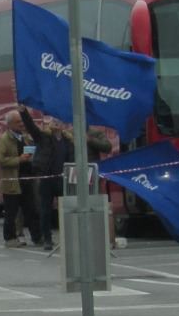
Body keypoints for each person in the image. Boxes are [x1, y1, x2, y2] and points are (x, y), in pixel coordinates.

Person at [21, 106, 113, 253]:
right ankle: (48, 239)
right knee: (45, 211)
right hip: (47, 180)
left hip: (64, 179)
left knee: (68, 210)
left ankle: (69, 238)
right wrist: (23, 112)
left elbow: (76, 158)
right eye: (53, 120)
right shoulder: (43, 137)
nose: (56, 122)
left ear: (64, 124)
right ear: (50, 124)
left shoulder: (68, 140)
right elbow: (31, 127)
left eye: (59, 121)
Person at [0, 111, 40, 249]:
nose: (21, 124)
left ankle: (37, 238)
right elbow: (0, 160)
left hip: (26, 180)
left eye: (22, 121)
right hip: (12, 182)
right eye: (18, 122)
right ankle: (10, 238)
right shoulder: (4, 139)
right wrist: (19, 159)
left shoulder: (26, 137)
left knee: (31, 210)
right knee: (11, 212)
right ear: (9, 124)